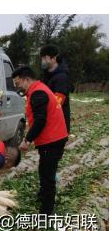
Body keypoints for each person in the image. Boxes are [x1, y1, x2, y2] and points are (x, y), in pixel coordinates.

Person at [12, 66, 68, 215]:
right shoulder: (38, 89)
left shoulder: (37, 93)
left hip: (53, 140)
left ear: (26, 79)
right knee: (44, 170)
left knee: (47, 175)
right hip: (54, 138)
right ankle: (43, 196)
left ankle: (46, 211)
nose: (17, 87)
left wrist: (27, 140)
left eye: (18, 83)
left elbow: (40, 120)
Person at [40, 45, 71, 134]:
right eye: (42, 59)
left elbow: (58, 102)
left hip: (58, 125)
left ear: (53, 58)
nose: (42, 61)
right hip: (49, 123)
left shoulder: (61, 77)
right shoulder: (47, 75)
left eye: (45, 58)